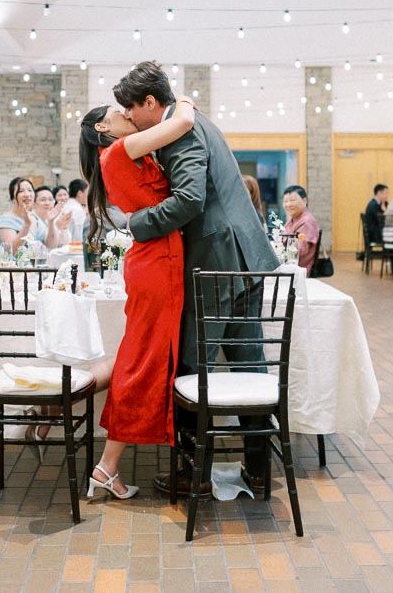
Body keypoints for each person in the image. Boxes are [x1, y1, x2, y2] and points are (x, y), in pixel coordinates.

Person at [113, 61, 280, 497]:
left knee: (191, 365)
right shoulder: (193, 119)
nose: (130, 120)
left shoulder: (180, 130)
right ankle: (258, 471)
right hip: (243, 257)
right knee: (249, 364)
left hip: (216, 260)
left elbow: (190, 198)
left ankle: (193, 477)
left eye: (131, 110)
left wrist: (137, 224)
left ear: (151, 103)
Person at [77, 94, 196, 499]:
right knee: (140, 362)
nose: (126, 114)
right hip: (156, 260)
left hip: (160, 257)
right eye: (117, 113)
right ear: (103, 129)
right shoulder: (118, 151)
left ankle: (105, 465)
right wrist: (183, 100)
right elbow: (180, 124)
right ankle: (107, 466)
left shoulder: (124, 152)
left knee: (138, 358)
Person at [0, 178, 67, 254]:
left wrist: (51, 222)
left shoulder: (35, 218)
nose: (27, 195)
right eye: (21, 191)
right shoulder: (7, 220)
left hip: (40, 264)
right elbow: (11, 251)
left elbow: (51, 246)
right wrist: (26, 226)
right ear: (13, 198)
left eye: (30, 190)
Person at [281, 185, 321, 273]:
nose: (288, 204)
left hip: (298, 270)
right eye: (285, 201)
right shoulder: (292, 219)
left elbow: (299, 251)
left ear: (304, 201)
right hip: (287, 265)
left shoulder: (307, 222)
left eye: (292, 200)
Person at [363, 184, 389, 250]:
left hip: (377, 233)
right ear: (379, 193)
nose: (387, 196)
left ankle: (392, 258)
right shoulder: (373, 205)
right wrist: (385, 210)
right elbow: (383, 220)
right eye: (386, 193)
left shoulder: (380, 204)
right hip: (375, 235)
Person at [65, 179, 89, 244]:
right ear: (80, 193)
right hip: (72, 249)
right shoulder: (78, 210)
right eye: (87, 192)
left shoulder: (66, 206)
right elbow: (78, 237)